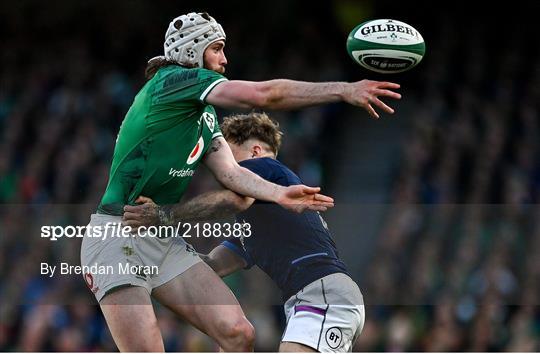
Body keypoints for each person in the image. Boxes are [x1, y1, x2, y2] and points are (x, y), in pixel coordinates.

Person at [82, 11, 399, 352]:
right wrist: (343, 89)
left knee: (239, 334)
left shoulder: (203, 116)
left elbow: (232, 174)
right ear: (193, 50)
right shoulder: (171, 81)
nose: (224, 58)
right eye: (217, 49)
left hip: (161, 241)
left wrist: (280, 194)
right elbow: (265, 95)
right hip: (116, 236)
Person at [123, 112, 365, 352]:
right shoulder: (261, 222)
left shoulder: (263, 167)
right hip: (319, 298)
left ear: (255, 151)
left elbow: (231, 199)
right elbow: (210, 266)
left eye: (226, 156)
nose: (221, 169)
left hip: (322, 295)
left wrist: (164, 215)